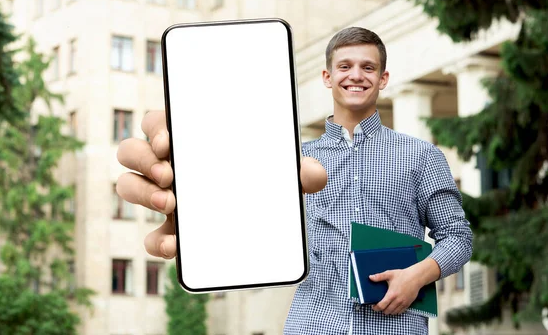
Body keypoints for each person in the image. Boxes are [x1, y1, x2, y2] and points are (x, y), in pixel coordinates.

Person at [116, 27, 473, 335]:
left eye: (368, 67)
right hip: (312, 322)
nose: (356, 75)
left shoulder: (421, 155)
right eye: (345, 66)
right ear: (327, 77)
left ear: (383, 79)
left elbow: (458, 237)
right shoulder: (289, 161)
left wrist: (417, 276)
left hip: (397, 325)